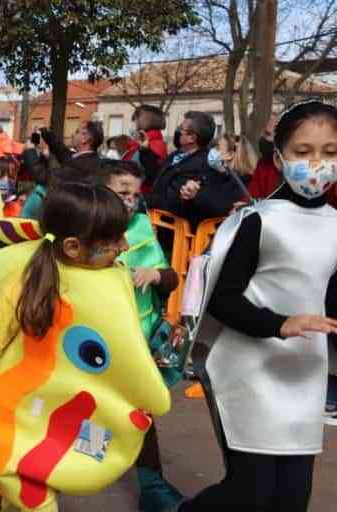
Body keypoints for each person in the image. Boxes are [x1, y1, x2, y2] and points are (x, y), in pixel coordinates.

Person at [0, 183, 171, 512]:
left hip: (56, 420)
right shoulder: (23, 285)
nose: (124, 247)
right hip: (13, 428)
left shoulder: (112, 274)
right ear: (73, 246)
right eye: (112, 241)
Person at [180, 99, 337, 512]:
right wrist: (280, 324)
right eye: (304, 152)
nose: (318, 162)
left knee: (290, 499)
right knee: (249, 494)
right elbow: (224, 299)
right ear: (281, 159)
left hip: (304, 374)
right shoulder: (259, 220)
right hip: (248, 370)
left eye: (330, 151)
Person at [94, 160, 183, 512]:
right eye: (122, 192)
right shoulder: (86, 231)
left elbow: (173, 278)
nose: (130, 200)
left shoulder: (144, 228)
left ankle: (153, 487)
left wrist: (156, 275)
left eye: (135, 193)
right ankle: (86, 469)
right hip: (96, 344)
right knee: (93, 407)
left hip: (139, 342)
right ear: (102, 193)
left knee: (142, 412)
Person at [148, 111, 238, 227]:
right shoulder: (176, 154)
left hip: (169, 230)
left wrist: (143, 201)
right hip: (154, 220)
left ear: (192, 138)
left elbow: (172, 200)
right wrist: (145, 152)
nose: (177, 131)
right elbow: (156, 178)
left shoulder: (201, 164)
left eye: (181, 128)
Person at [38, 120, 104, 174]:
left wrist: (30, 151)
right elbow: (60, 149)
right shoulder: (81, 158)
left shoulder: (79, 165)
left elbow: (47, 178)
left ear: (85, 138)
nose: (73, 135)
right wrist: (45, 131)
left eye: (77, 132)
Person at [128, 105, 169, 191]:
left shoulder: (156, 144)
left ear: (146, 120)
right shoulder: (139, 142)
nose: (134, 122)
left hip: (143, 194)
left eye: (136, 118)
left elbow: (152, 173)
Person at [248, 114, 281, 199]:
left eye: (269, 134)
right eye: (265, 133)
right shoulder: (263, 165)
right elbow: (251, 196)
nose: (264, 139)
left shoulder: (296, 169)